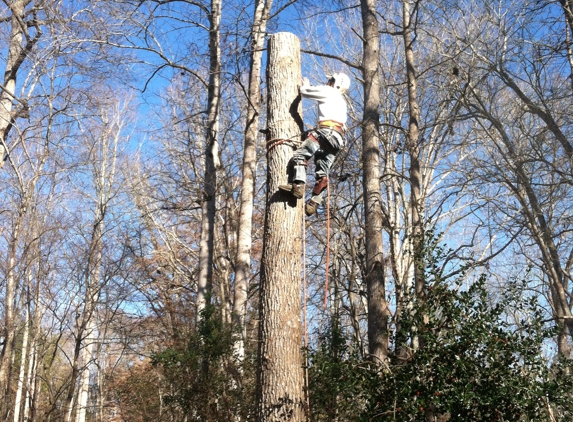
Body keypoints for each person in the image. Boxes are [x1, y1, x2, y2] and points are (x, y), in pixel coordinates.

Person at [279, 72, 350, 216]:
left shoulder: (330, 91)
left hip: (326, 133)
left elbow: (305, 92)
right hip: (337, 139)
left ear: (335, 83)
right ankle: (314, 202)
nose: (327, 81)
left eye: (330, 80)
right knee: (322, 172)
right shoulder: (342, 102)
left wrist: (305, 84)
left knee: (300, 155)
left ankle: (298, 185)